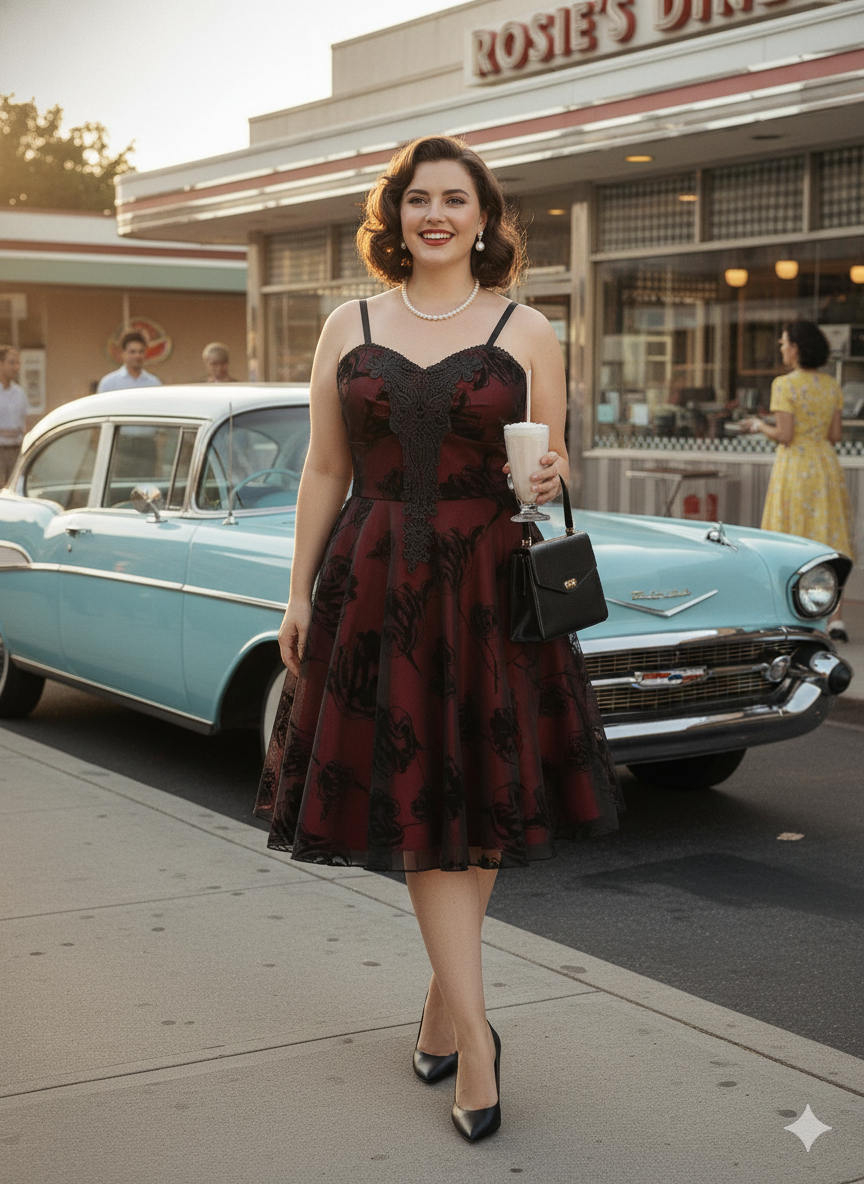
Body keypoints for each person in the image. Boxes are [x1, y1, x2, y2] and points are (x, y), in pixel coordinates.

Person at [254, 135, 622, 1143]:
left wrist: (545, 480)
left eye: (456, 199)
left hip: (489, 583)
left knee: (478, 796)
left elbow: (547, 467)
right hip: (372, 580)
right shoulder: (349, 322)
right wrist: (296, 594)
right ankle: (478, 1034)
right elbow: (325, 469)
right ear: (395, 216)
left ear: (487, 218)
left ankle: (447, 1012)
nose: (437, 215)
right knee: (424, 798)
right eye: (419, 199)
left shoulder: (530, 328)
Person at [742, 320, 855, 641]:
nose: (781, 347)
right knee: (828, 535)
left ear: (795, 347)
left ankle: (790, 613)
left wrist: (759, 426)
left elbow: (785, 435)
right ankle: (836, 619)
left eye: (783, 343)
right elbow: (835, 434)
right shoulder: (830, 384)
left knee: (789, 534)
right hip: (825, 466)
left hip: (795, 468)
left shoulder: (784, 385)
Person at [0, 345, 29, 486]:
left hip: (16, 451)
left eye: (17, 363)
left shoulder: (19, 393)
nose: (16, 367)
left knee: (14, 489)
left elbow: (25, 422)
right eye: (11, 363)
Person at [97, 331, 162, 393]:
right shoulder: (109, 383)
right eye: (132, 352)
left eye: (141, 351)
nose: (137, 356)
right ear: (123, 353)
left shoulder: (154, 383)